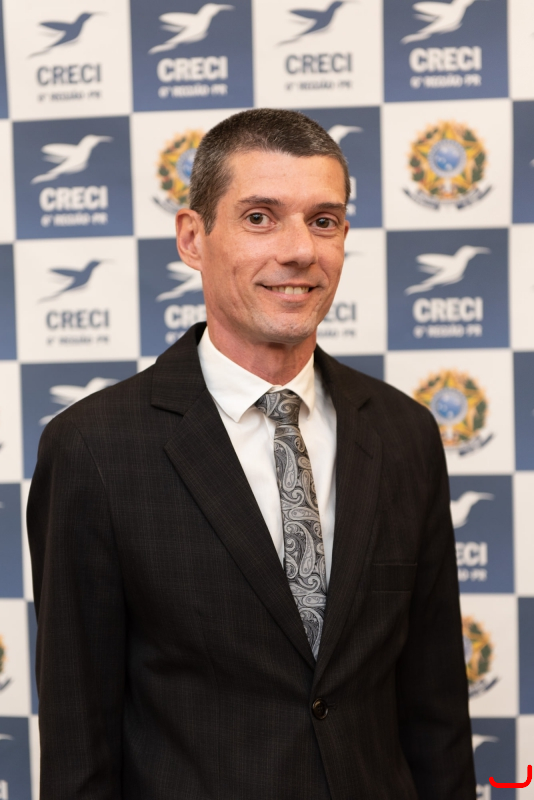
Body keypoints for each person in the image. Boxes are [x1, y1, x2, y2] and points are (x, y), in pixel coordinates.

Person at [28, 108, 476, 800]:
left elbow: (435, 710)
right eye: (260, 218)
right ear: (193, 237)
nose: (299, 251)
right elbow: (77, 741)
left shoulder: (403, 433)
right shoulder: (94, 448)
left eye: (323, 221)